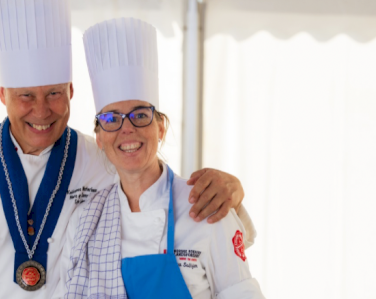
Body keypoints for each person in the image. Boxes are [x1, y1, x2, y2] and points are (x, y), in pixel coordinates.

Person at [0, 1, 256, 298]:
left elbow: (162, 194)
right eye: (25, 97)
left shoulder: (102, 157)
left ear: (71, 92)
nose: (41, 110)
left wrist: (233, 194)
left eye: (53, 93)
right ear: (3, 95)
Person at [60, 18, 265, 299]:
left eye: (140, 115)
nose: (127, 128)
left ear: (160, 128)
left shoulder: (207, 206)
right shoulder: (84, 224)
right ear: (100, 138)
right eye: (111, 119)